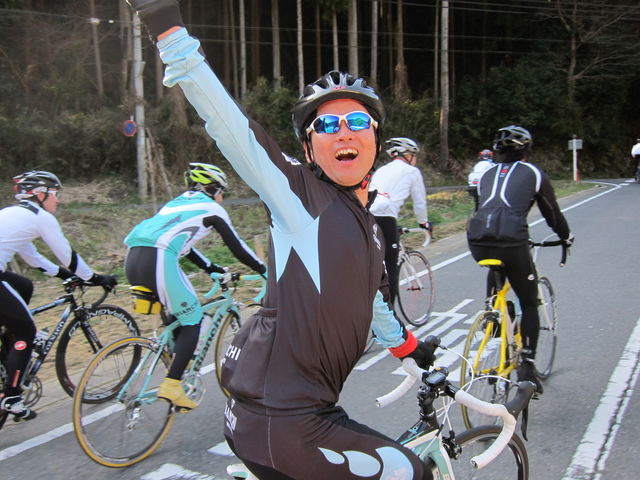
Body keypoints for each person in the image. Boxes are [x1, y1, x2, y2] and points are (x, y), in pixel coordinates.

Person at [127, 2, 439, 479]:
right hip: (286, 422)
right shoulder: (298, 197)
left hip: (291, 414)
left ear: (376, 138)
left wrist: (408, 348)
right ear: (308, 147)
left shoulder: (371, 227)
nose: (343, 133)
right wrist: (168, 29)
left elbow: (372, 302)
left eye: (357, 122)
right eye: (327, 125)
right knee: (412, 473)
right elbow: (232, 128)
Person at [123, 162, 266, 411]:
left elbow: (186, 248)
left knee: (180, 310)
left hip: (133, 257)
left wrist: (211, 267)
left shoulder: (175, 204)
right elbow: (237, 246)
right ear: (212, 188)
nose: (222, 198)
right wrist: (264, 270)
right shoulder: (212, 208)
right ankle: (172, 385)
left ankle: (178, 360)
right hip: (159, 258)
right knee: (193, 317)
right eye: (222, 192)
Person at [466, 125, 573, 395]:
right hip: (512, 241)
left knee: (495, 263)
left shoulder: (487, 173)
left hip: (477, 241)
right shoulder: (533, 173)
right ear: (527, 150)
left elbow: (484, 208)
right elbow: (552, 213)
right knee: (529, 301)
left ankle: (494, 315)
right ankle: (527, 367)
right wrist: (566, 237)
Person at [0, 170, 115, 420]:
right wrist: (95, 278)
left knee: (24, 286)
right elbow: (69, 257)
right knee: (26, 331)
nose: (58, 200)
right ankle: (11, 396)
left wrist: (65, 276)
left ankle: (9, 350)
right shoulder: (40, 217)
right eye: (55, 194)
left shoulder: (14, 214)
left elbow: (32, 258)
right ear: (40, 194)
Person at [369, 137, 431, 305]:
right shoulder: (412, 172)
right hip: (385, 217)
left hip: (367, 215)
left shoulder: (381, 170)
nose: (415, 160)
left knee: (372, 263)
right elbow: (419, 203)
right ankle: (390, 316)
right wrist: (424, 223)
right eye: (414, 156)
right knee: (390, 267)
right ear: (408, 155)